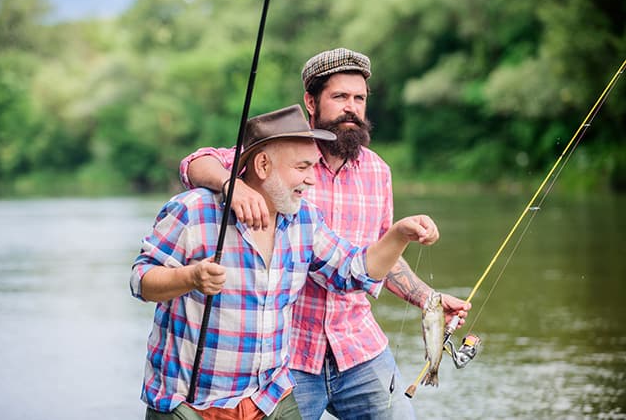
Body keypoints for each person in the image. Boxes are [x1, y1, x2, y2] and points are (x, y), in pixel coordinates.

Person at [179, 49, 471, 419]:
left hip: (358, 346)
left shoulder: (378, 172)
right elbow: (194, 162)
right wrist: (231, 185)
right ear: (311, 102)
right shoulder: (282, 156)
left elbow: (381, 257)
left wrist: (429, 299)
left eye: (359, 98)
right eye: (340, 97)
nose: (352, 108)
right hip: (287, 355)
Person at [132, 104, 441, 420]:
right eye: (303, 167)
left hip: (270, 401)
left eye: (314, 167)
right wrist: (190, 278)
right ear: (263, 165)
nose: (311, 180)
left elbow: (354, 271)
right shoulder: (194, 210)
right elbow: (141, 281)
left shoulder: (304, 220)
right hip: (187, 407)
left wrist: (400, 233)